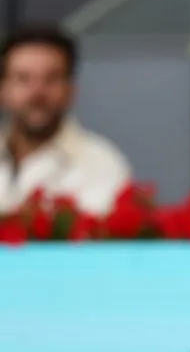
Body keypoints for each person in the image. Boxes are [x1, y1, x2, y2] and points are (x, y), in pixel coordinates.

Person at [0, 25, 132, 216]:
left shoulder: (101, 164)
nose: (37, 93)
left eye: (51, 79)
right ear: (3, 90)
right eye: (23, 79)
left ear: (71, 90)